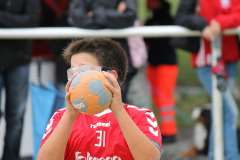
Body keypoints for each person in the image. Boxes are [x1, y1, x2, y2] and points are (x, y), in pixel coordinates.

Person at [37, 38, 162, 160]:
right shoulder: (61, 117)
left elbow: (150, 158)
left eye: (83, 71)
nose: (75, 78)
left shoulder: (141, 116)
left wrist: (118, 111)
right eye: (72, 72)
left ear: (110, 77)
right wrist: (69, 116)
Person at [175, 0, 240, 159]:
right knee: (230, 112)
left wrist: (220, 23)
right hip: (207, 60)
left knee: (222, 111)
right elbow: (182, 17)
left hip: (229, 57)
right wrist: (204, 25)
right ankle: (231, 156)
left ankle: (214, 155)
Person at [67, 0, 138, 104]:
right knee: (87, 105)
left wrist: (94, 13)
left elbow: (129, 18)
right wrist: (113, 16)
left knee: (119, 104)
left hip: (116, 59)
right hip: (87, 61)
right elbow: (78, 19)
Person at [0, 0, 40, 160]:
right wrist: (17, 21)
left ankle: (11, 157)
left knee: (16, 117)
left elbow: (32, 20)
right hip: (18, 58)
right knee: (16, 118)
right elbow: (27, 21)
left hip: (19, 60)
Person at [144, 0, 178, 143]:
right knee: (158, 98)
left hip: (167, 63)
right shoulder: (150, 20)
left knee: (165, 98)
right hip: (153, 63)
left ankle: (170, 132)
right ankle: (163, 130)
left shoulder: (167, 19)